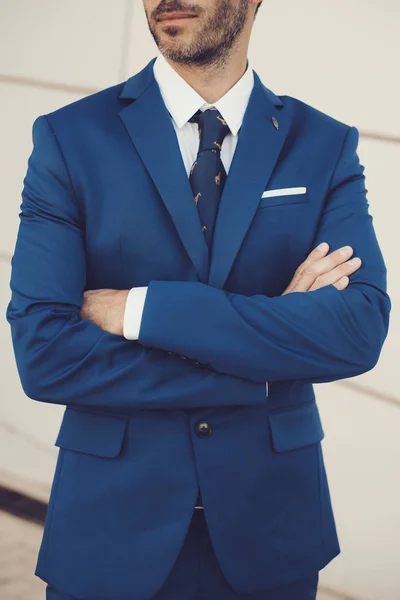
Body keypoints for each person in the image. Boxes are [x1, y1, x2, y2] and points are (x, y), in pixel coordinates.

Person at [6, 1, 391, 599]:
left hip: (273, 530)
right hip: (110, 531)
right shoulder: (69, 136)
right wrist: (261, 360)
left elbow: (357, 329)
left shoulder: (323, 144)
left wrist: (141, 311)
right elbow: (46, 353)